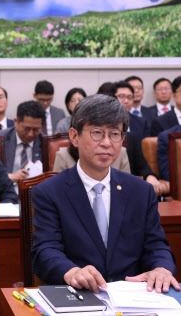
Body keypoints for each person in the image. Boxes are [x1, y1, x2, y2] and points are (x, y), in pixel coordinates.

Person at [32, 94, 178, 293]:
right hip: (79, 295)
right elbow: (45, 250)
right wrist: (71, 272)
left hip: (131, 298)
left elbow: (156, 246)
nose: (107, 143)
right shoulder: (50, 191)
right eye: (97, 133)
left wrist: (161, 269)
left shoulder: (140, 191)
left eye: (115, 134)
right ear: (74, 136)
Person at [0, 101, 44, 190]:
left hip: (35, 193)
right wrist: (9, 177)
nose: (30, 134)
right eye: (27, 129)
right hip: (6, 191)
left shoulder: (45, 143)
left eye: (36, 129)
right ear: (16, 122)